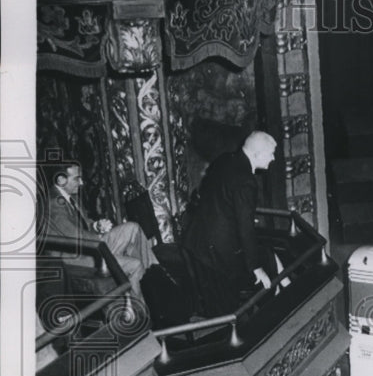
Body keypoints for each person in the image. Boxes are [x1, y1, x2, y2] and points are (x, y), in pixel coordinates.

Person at [183, 131, 279, 315]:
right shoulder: (246, 181)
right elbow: (246, 229)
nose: (273, 158)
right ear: (257, 154)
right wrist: (256, 268)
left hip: (197, 240)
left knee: (268, 256)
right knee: (227, 314)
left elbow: (217, 198)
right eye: (271, 153)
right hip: (217, 255)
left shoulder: (225, 159)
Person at [44, 163, 160, 304]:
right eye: (77, 178)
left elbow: (83, 224)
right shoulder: (54, 203)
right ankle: (138, 310)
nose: (81, 183)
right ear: (61, 180)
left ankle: (155, 270)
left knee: (132, 227)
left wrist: (96, 225)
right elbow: (74, 235)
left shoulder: (70, 197)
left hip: (87, 246)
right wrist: (99, 238)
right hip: (74, 257)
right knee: (135, 265)